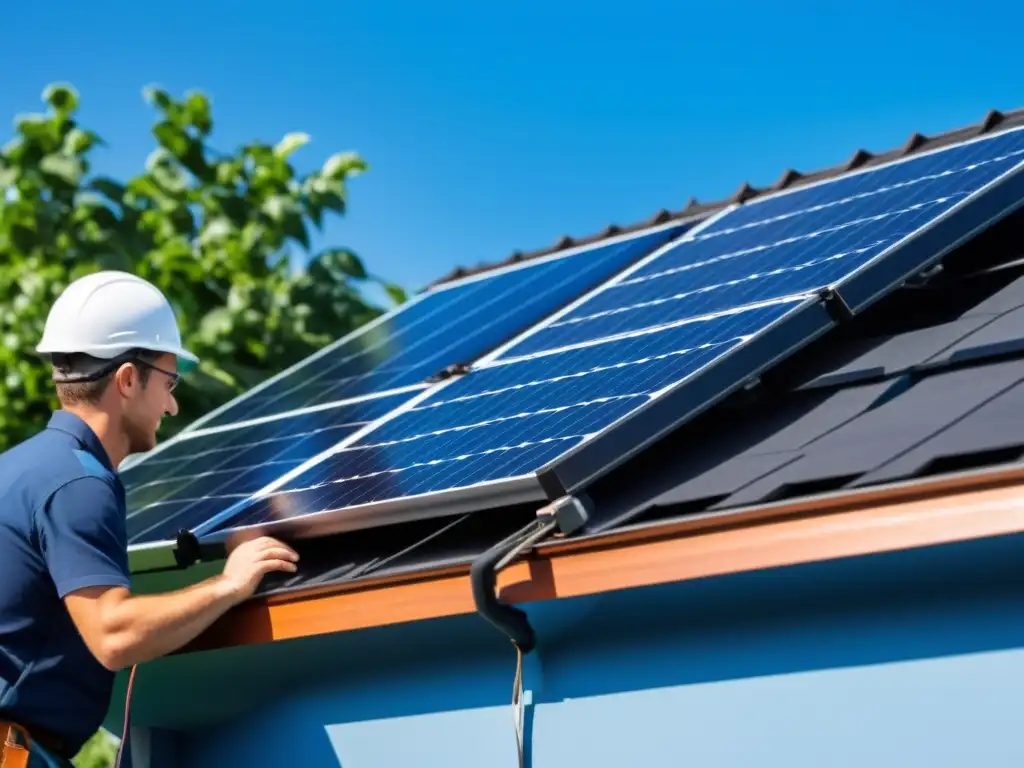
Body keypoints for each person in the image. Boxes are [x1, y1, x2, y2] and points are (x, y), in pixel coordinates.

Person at [0, 271, 300, 768]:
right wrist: (228, 585)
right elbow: (114, 634)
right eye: (168, 381)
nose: (173, 403)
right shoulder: (79, 484)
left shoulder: (15, 467)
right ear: (126, 379)